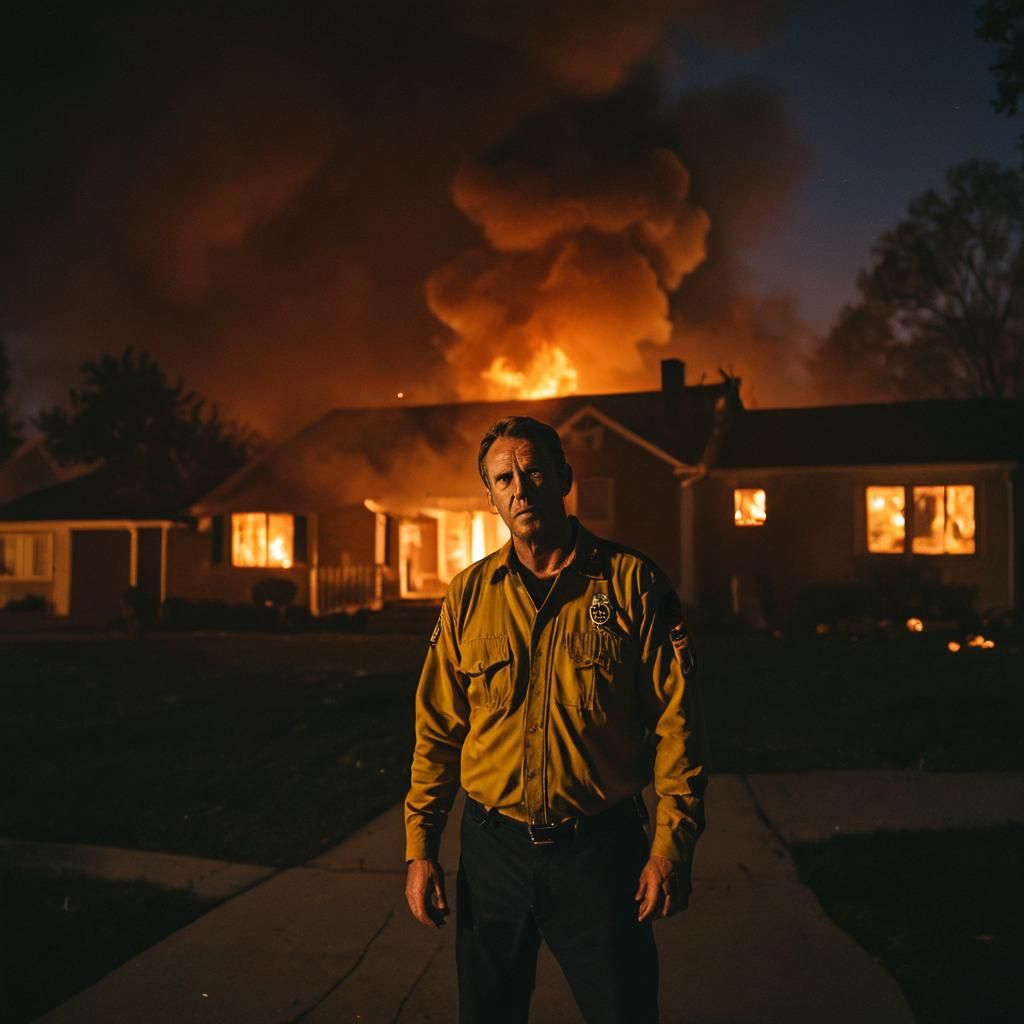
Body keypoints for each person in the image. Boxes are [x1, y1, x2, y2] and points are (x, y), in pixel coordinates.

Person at [404, 415, 708, 1024]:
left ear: (565, 478)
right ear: (490, 497)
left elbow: (679, 726)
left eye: (534, 470)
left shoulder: (631, 584)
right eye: (503, 478)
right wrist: (421, 846)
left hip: (598, 853)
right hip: (493, 854)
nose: (521, 487)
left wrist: (671, 846)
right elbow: (437, 730)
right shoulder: (468, 596)